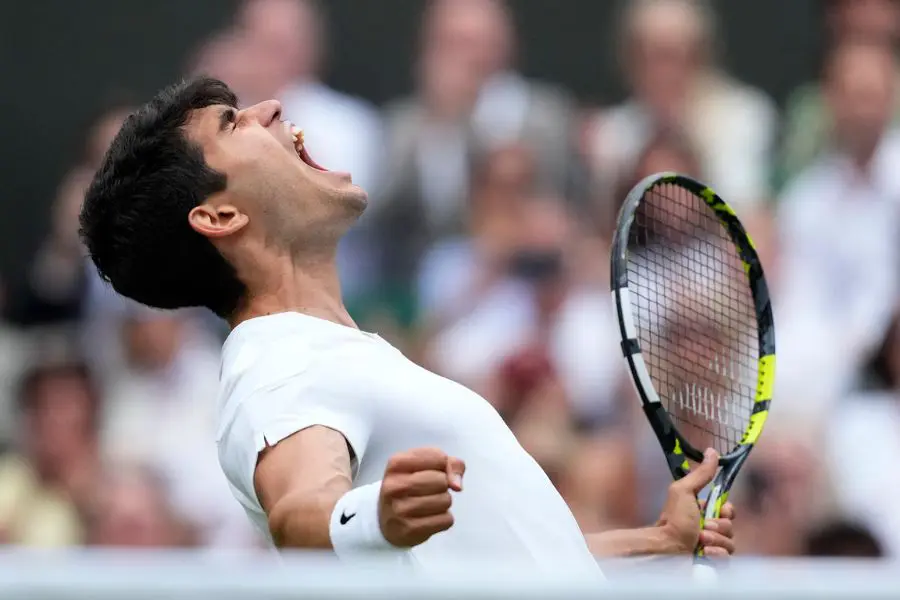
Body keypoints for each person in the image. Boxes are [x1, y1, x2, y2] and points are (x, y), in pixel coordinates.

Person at [78, 77, 735, 574]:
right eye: (233, 123)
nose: (270, 110)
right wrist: (375, 515)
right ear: (219, 218)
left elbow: (504, 565)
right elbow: (297, 508)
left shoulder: (336, 356)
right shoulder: (277, 366)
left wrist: (654, 543)